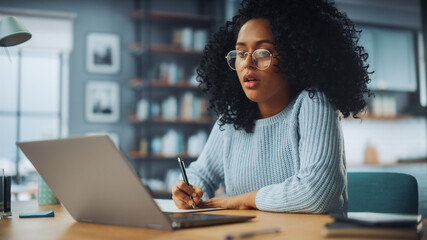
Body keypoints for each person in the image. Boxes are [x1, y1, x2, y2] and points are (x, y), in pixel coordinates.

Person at [172, 0, 371, 214]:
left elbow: (317, 194)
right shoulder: (231, 121)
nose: (247, 63)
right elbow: (201, 175)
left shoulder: (314, 103)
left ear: (295, 55)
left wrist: (241, 201)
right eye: (240, 53)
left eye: (263, 52)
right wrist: (187, 191)